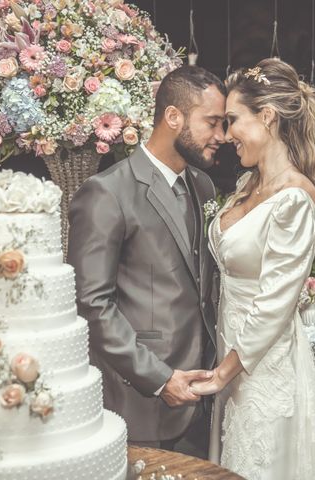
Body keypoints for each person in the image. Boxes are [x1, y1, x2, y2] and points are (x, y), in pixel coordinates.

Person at [190, 58, 315, 479]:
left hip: (264, 367)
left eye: (233, 120)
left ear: (268, 117)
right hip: (232, 361)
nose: (225, 134)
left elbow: (275, 303)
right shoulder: (248, 185)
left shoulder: (294, 198)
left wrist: (223, 373)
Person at [68, 65, 225, 456]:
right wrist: (159, 378)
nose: (222, 136)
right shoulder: (107, 192)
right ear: (173, 117)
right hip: (143, 398)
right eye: (212, 123)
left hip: (205, 393)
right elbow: (91, 305)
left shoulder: (203, 186)